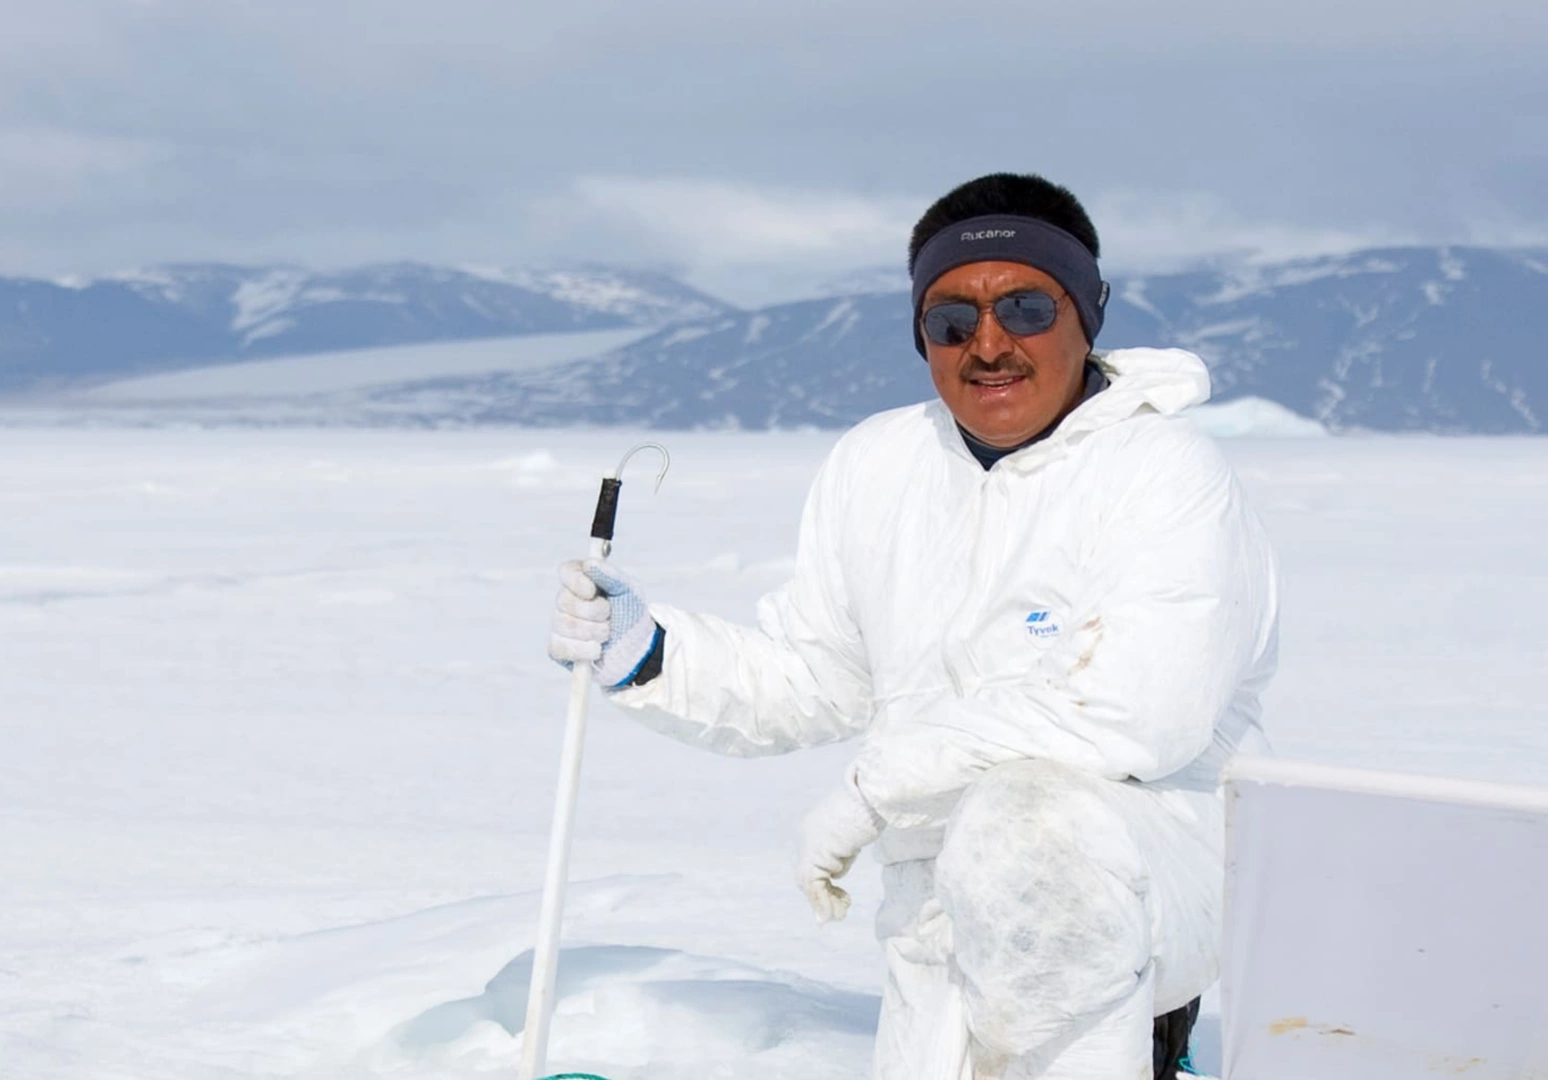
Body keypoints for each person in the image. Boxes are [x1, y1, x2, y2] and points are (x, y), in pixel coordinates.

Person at [547, 172, 1280, 1080]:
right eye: (951, 320)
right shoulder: (879, 465)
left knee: (1030, 819)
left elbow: (1133, 716)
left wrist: (873, 788)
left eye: (1025, 307)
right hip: (931, 912)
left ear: (1085, 315)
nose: (990, 343)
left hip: (1147, 879)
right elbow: (820, 675)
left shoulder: (1164, 472)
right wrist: (651, 655)